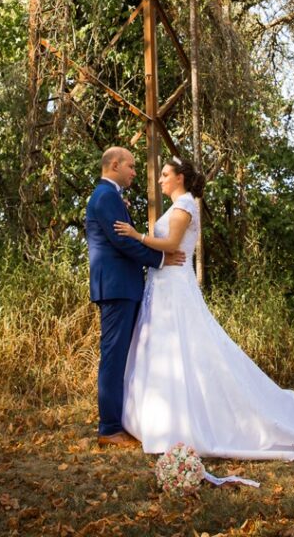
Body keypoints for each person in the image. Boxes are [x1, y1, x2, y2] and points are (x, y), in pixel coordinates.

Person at [114, 156, 294, 460]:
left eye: (164, 174)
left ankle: (187, 419)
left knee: (186, 349)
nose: (159, 179)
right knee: (169, 350)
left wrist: (137, 236)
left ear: (179, 178)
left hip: (174, 288)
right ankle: (160, 417)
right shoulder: (178, 206)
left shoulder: (185, 205)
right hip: (164, 287)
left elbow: (173, 243)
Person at [86, 146, 186, 447]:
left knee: (123, 356)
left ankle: (122, 420)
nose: (134, 172)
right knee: (115, 357)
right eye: (130, 166)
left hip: (122, 286)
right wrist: (160, 260)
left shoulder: (111, 197)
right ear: (114, 165)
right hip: (116, 287)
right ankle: (109, 428)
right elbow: (122, 242)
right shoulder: (105, 196)